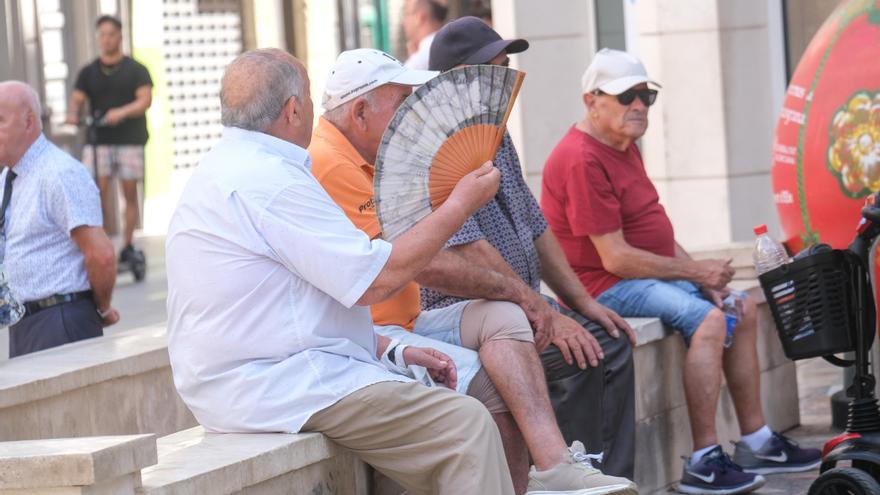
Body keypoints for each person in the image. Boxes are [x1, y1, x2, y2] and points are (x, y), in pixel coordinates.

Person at [165, 48, 516, 495]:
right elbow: (376, 280)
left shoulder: (224, 169)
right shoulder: (271, 181)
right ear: (294, 110)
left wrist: (386, 349)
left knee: (425, 434)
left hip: (254, 378)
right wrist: (460, 204)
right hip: (275, 384)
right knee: (466, 425)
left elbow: (283, 305)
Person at [311, 47, 637, 495]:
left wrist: (546, 303)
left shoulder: (389, 151)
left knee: (517, 321)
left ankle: (556, 466)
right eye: (402, 102)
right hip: (370, 337)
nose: (412, 114)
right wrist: (529, 297)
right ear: (361, 111)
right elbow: (422, 265)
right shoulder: (330, 163)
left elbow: (530, 224)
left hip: (407, 322)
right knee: (503, 374)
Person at [541, 48, 822, 494]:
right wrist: (694, 275)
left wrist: (698, 273)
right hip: (604, 286)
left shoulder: (622, 144)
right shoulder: (580, 157)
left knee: (739, 305)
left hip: (640, 276)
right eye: (625, 96)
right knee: (710, 320)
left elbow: (652, 227)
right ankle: (705, 461)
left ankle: (757, 440)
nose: (638, 105)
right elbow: (614, 257)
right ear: (591, 100)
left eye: (645, 96)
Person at [424, 16, 637, 480]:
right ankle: (568, 475)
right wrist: (545, 311)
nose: (507, 79)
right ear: (458, 78)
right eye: (495, 68)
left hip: (523, 304)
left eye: (505, 66)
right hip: (471, 315)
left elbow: (535, 226)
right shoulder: (434, 147)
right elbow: (473, 251)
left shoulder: (495, 132)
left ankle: (606, 479)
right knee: (586, 350)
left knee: (606, 335)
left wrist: (582, 303)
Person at [0, 81, 118, 358]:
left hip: (60, 321)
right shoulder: (8, 177)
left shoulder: (59, 173)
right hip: (25, 325)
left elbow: (101, 255)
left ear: (28, 122)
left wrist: (101, 308)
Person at [66, 15, 153, 266]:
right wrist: (73, 114)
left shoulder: (136, 70)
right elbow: (77, 99)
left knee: (129, 194)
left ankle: (126, 245)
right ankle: (101, 245)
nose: (106, 39)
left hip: (129, 139)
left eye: (110, 34)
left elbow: (145, 100)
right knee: (95, 193)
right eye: (101, 35)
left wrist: (122, 112)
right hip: (98, 142)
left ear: (120, 37)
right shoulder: (88, 71)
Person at [402, 0, 447, 69]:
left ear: (420, 17)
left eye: (407, 14)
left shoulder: (420, 60)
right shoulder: (449, 44)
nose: (403, 22)